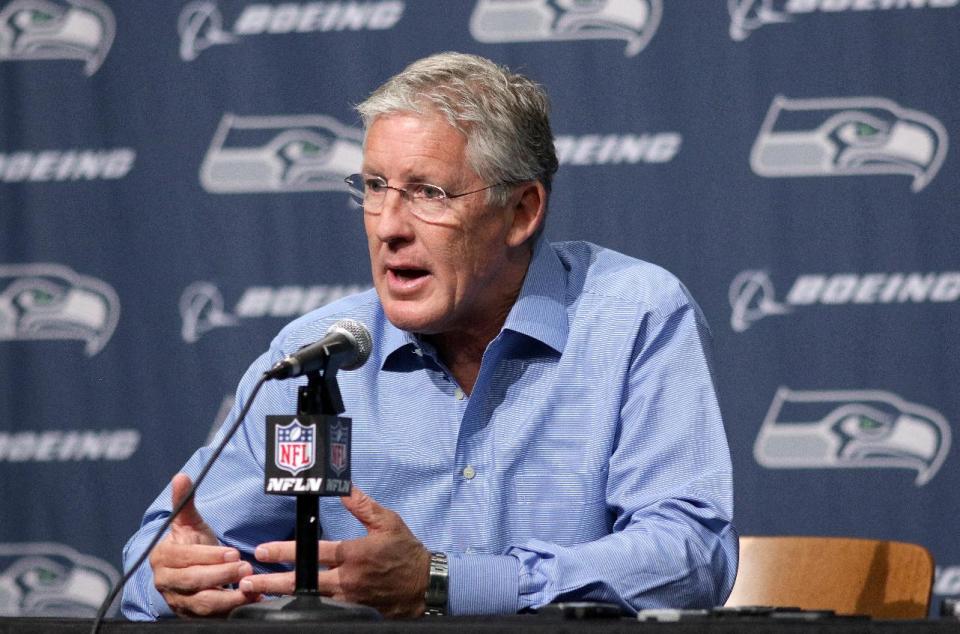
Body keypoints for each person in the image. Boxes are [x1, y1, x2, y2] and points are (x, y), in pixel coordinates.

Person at [121, 52, 738, 620]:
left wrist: (445, 583)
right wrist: (179, 576)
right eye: (374, 187)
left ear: (522, 211)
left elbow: (687, 554)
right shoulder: (318, 359)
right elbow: (154, 564)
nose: (389, 226)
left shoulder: (633, 316)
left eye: (427, 193)